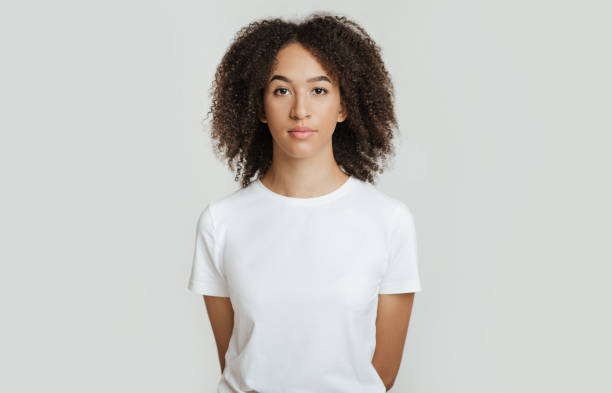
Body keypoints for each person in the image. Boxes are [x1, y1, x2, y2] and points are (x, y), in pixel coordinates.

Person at [187, 11, 422, 393]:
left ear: (343, 107)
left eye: (319, 90)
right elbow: (239, 359)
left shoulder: (389, 220)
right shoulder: (221, 221)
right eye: (281, 90)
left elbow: (383, 374)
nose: (300, 109)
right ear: (260, 107)